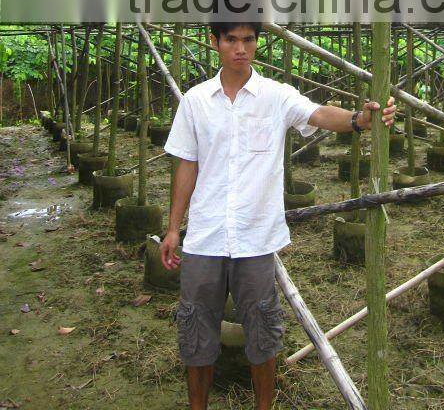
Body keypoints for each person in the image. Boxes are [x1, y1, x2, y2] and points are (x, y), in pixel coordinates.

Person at [160, 22, 396, 410]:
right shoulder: (196, 101)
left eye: (248, 39)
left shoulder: (276, 96)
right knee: (196, 333)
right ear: (214, 42)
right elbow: (187, 166)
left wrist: (358, 119)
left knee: (262, 333)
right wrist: (173, 228)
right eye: (231, 40)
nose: (241, 48)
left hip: (255, 239)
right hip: (205, 236)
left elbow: (319, 114)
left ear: (256, 42)